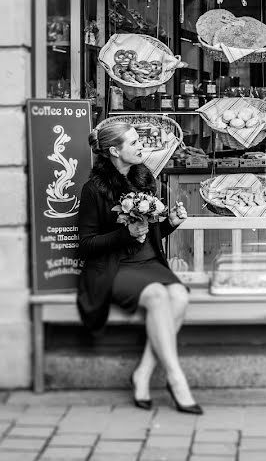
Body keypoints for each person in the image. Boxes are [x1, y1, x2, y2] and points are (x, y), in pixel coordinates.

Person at [77, 122, 202, 415]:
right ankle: (176, 378)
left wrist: (170, 222)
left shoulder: (146, 179)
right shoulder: (94, 189)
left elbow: (151, 234)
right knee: (158, 296)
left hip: (148, 262)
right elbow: (85, 245)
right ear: (114, 151)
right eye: (133, 143)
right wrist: (125, 234)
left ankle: (143, 373)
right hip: (114, 268)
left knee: (179, 297)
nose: (141, 147)